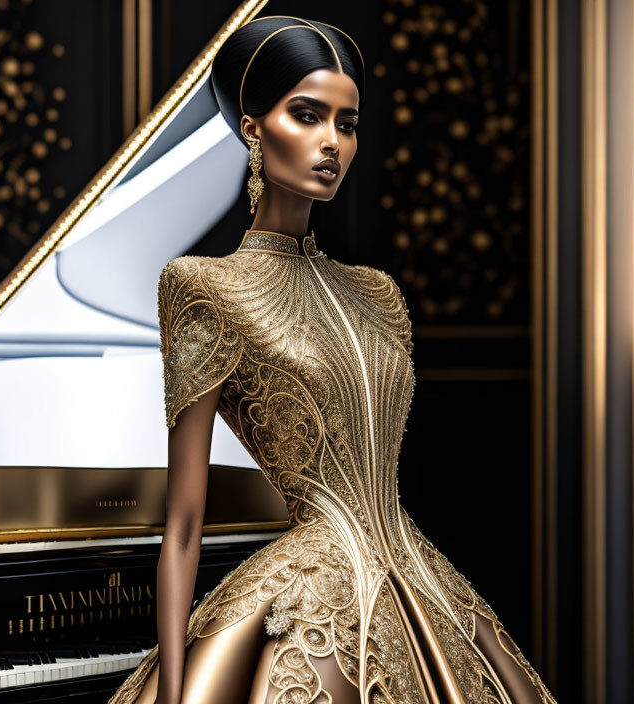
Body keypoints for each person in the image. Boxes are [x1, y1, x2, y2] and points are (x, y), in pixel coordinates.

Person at [109, 15, 557, 704]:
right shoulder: (203, 286)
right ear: (254, 127)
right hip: (310, 600)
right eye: (308, 115)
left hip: (421, 580)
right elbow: (184, 523)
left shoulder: (379, 295)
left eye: (346, 123)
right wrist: (173, 692)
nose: (331, 144)